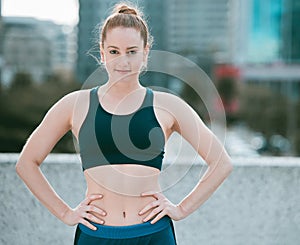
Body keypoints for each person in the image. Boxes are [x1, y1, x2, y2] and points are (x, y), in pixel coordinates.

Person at [15, 2, 233, 245]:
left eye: (132, 51)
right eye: (114, 51)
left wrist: (182, 209)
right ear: (102, 52)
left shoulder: (168, 106)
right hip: (96, 235)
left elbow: (221, 162)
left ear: (145, 53)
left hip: (153, 234)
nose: (123, 61)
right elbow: (26, 163)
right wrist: (66, 213)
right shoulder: (75, 104)